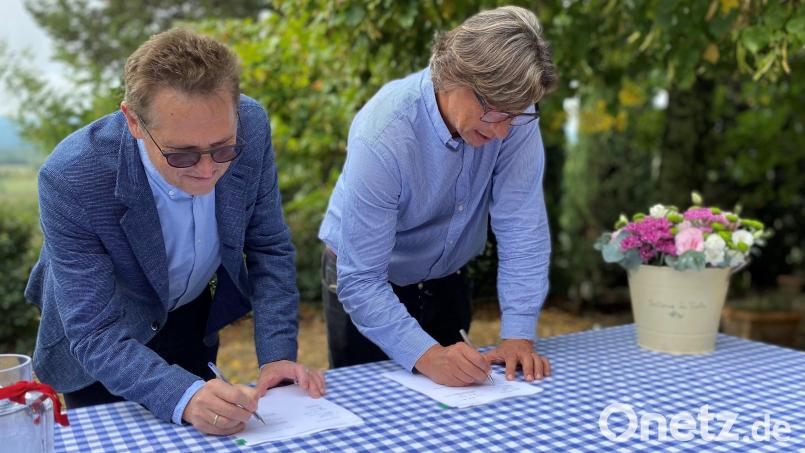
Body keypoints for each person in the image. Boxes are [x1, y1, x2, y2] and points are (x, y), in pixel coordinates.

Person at [25, 28, 324, 435]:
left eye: (223, 149)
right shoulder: (72, 177)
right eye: (181, 154)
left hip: (190, 318)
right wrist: (182, 395)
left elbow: (267, 247)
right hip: (103, 342)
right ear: (132, 121)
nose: (207, 171)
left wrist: (276, 355)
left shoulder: (252, 124)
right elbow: (94, 333)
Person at [319, 6, 557, 386]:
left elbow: (522, 225)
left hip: (448, 277)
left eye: (516, 115)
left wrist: (517, 335)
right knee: (374, 413)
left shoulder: (511, 113)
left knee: (456, 403)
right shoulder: (383, 133)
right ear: (455, 78)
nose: (502, 133)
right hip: (370, 283)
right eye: (496, 113)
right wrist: (427, 355)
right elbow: (362, 279)